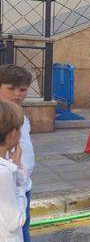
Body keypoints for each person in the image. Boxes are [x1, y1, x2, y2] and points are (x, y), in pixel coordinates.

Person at [0, 65, 35, 242]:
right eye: (10, 88)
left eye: (22, 89)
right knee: (14, 227)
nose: (17, 94)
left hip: (23, 182)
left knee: (23, 229)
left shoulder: (20, 114)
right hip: (8, 183)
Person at [0, 100, 28, 242]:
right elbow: (15, 220)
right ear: (12, 133)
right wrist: (20, 188)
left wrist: (15, 168)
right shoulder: (4, 173)